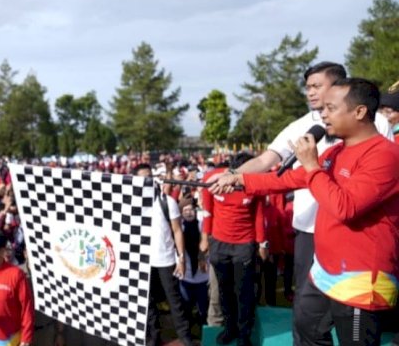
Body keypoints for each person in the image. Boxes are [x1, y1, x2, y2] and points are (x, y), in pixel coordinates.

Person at [210, 62, 394, 344]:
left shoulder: (384, 155)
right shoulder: (335, 151)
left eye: (331, 109)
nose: (323, 116)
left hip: (360, 276)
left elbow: (346, 207)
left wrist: (312, 166)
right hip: (325, 270)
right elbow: (286, 180)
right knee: (306, 327)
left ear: (359, 112)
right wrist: (238, 180)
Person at [200, 153, 267, 346]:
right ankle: (230, 329)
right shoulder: (212, 180)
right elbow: (207, 211)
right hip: (219, 244)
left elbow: (259, 216)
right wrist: (205, 237)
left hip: (244, 245)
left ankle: (244, 333)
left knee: (244, 292)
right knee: (224, 290)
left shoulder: (257, 183)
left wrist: (262, 243)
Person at [133, 164, 195, 346]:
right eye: (144, 177)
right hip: (143, 262)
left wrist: (181, 258)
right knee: (147, 302)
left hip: (166, 260)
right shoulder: (131, 204)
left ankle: (185, 336)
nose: (148, 180)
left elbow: (177, 231)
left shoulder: (166, 201)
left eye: (150, 176)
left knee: (174, 300)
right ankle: (153, 336)